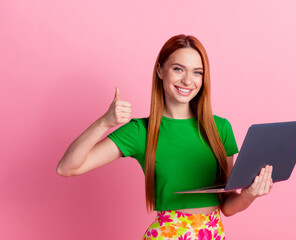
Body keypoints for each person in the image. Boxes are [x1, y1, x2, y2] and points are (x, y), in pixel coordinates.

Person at [56, 34, 274, 240]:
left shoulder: (220, 128)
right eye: (178, 69)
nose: (188, 80)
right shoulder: (140, 131)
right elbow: (67, 168)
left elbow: (226, 205)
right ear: (160, 70)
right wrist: (104, 122)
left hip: (213, 232)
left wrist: (248, 196)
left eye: (197, 72)